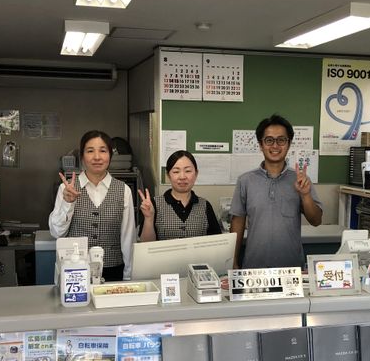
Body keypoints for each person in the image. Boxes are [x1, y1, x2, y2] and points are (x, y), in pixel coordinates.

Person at [229, 114, 322, 269]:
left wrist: (305, 195)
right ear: (261, 144)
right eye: (269, 140)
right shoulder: (245, 181)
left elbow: (316, 220)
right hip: (254, 268)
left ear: (289, 144)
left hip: (291, 269)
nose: (275, 146)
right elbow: (237, 223)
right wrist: (232, 261)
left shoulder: (301, 180)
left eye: (281, 140)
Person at [48, 130, 136, 281]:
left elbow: (128, 238)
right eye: (90, 151)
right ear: (82, 156)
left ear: (110, 156)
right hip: (75, 270)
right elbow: (56, 233)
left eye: (103, 151)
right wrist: (68, 203)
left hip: (113, 270)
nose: (97, 157)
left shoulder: (124, 190)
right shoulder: (66, 188)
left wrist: (129, 276)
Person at [137, 150, 222, 242]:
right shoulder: (153, 205)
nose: (182, 177)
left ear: (196, 174)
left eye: (188, 171)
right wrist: (149, 218)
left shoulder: (205, 205)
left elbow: (216, 242)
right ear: (168, 175)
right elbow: (146, 244)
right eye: (176, 171)